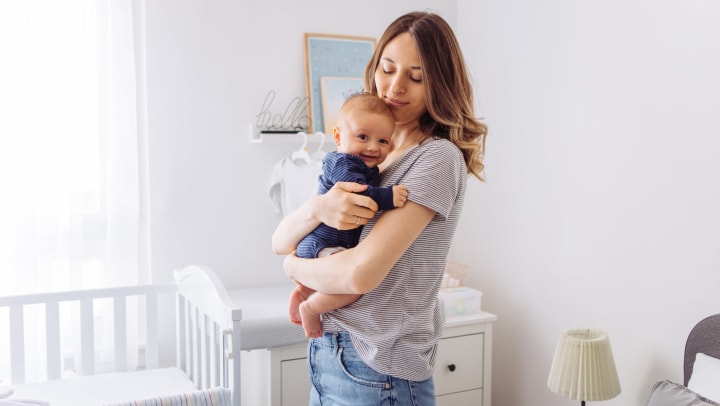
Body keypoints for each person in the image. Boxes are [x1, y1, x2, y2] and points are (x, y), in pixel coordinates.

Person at [272, 10, 487, 405]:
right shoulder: (370, 154)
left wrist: (293, 269)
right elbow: (280, 239)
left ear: (440, 84)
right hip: (331, 353)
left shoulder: (436, 157)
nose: (395, 87)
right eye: (387, 69)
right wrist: (319, 208)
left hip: (378, 368)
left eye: (416, 76)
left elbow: (359, 275)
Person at [290, 92, 408, 338]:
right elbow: (357, 193)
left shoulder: (366, 165)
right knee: (352, 289)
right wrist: (388, 197)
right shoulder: (344, 163)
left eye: (383, 141)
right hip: (323, 242)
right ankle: (310, 307)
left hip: (327, 242)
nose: (373, 147)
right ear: (337, 136)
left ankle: (304, 291)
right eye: (363, 137)